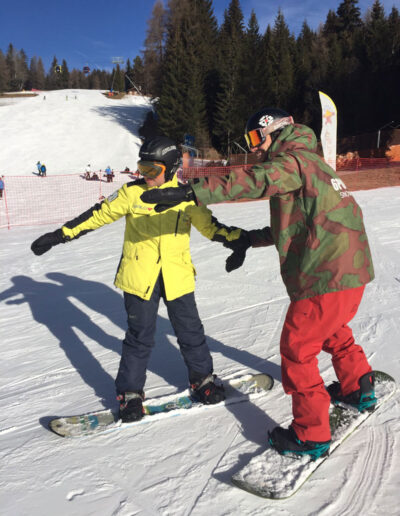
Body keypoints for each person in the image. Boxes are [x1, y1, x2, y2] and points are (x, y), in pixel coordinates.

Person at [140, 108, 376, 460]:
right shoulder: (314, 165)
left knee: (297, 349)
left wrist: (193, 193)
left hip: (324, 274)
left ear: (274, 131)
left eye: (255, 139)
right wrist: (249, 239)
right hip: (349, 271)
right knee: (332, 329)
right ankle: (359, 386)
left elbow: (254, 179)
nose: (255, 149)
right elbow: (298, 224)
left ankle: (311, 435)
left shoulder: (293, 162)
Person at [31, 136, 249, 423]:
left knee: (191, 332)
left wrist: (239, 241)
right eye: (141, 169)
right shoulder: (131, 194)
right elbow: (97, 215)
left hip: (177, 276)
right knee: (139, 338)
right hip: (139, 278)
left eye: (152, 171)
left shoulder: (187, 197)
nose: (144, 176)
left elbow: (211, 227)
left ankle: (203, 381)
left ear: (170, 169)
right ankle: (130, 394)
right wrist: (60, 235)